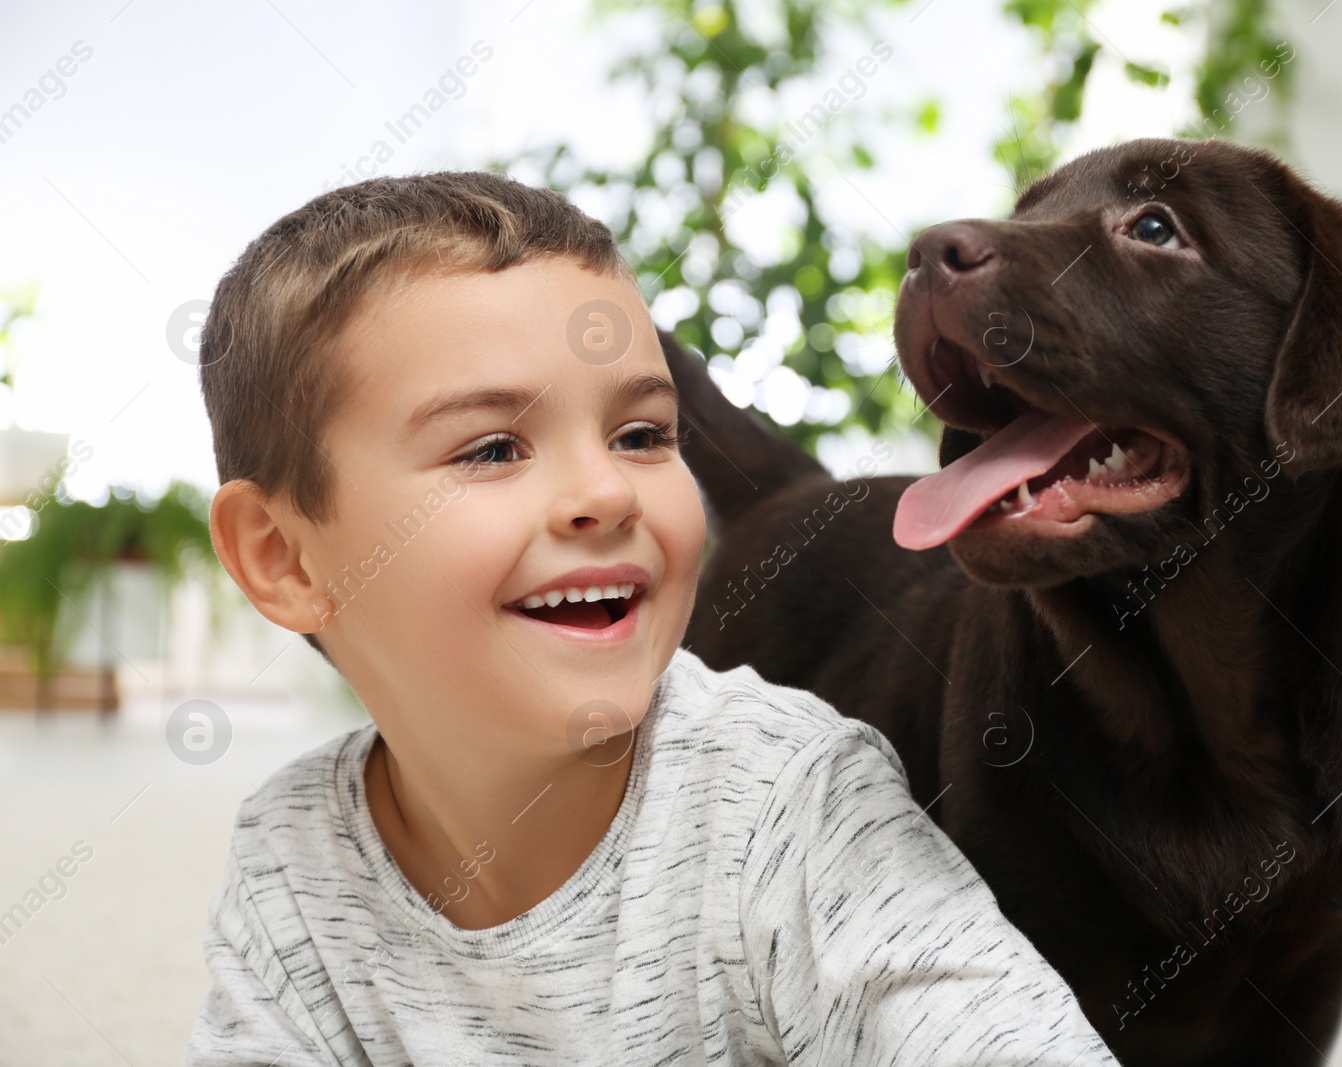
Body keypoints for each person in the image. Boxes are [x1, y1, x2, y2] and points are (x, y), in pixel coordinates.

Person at [188, 170, 1118, 1066]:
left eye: (640, 435)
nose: (604, 491)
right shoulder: (292, 852)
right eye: (493, 447)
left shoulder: (793, 799)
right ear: (284, 557)